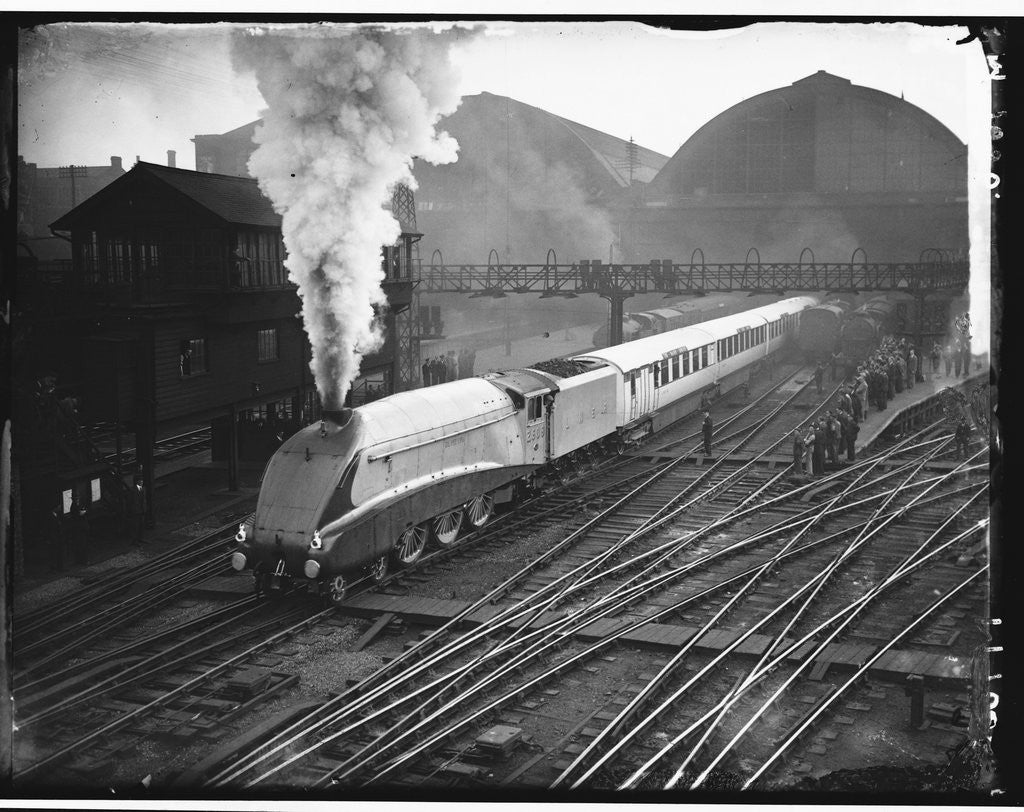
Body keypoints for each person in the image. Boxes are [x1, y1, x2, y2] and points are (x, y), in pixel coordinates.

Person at [128, 476, 146, 546]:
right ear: (137, 482)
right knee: (135, 526)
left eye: (142, 480)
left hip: (142, 510)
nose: (142, 482)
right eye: (140, 480)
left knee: (141, 525)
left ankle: (140, 538)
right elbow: (130, 501)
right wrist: (131, 510)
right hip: (135, 511)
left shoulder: (143, 489)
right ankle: (134, 541)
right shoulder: (132, 490)